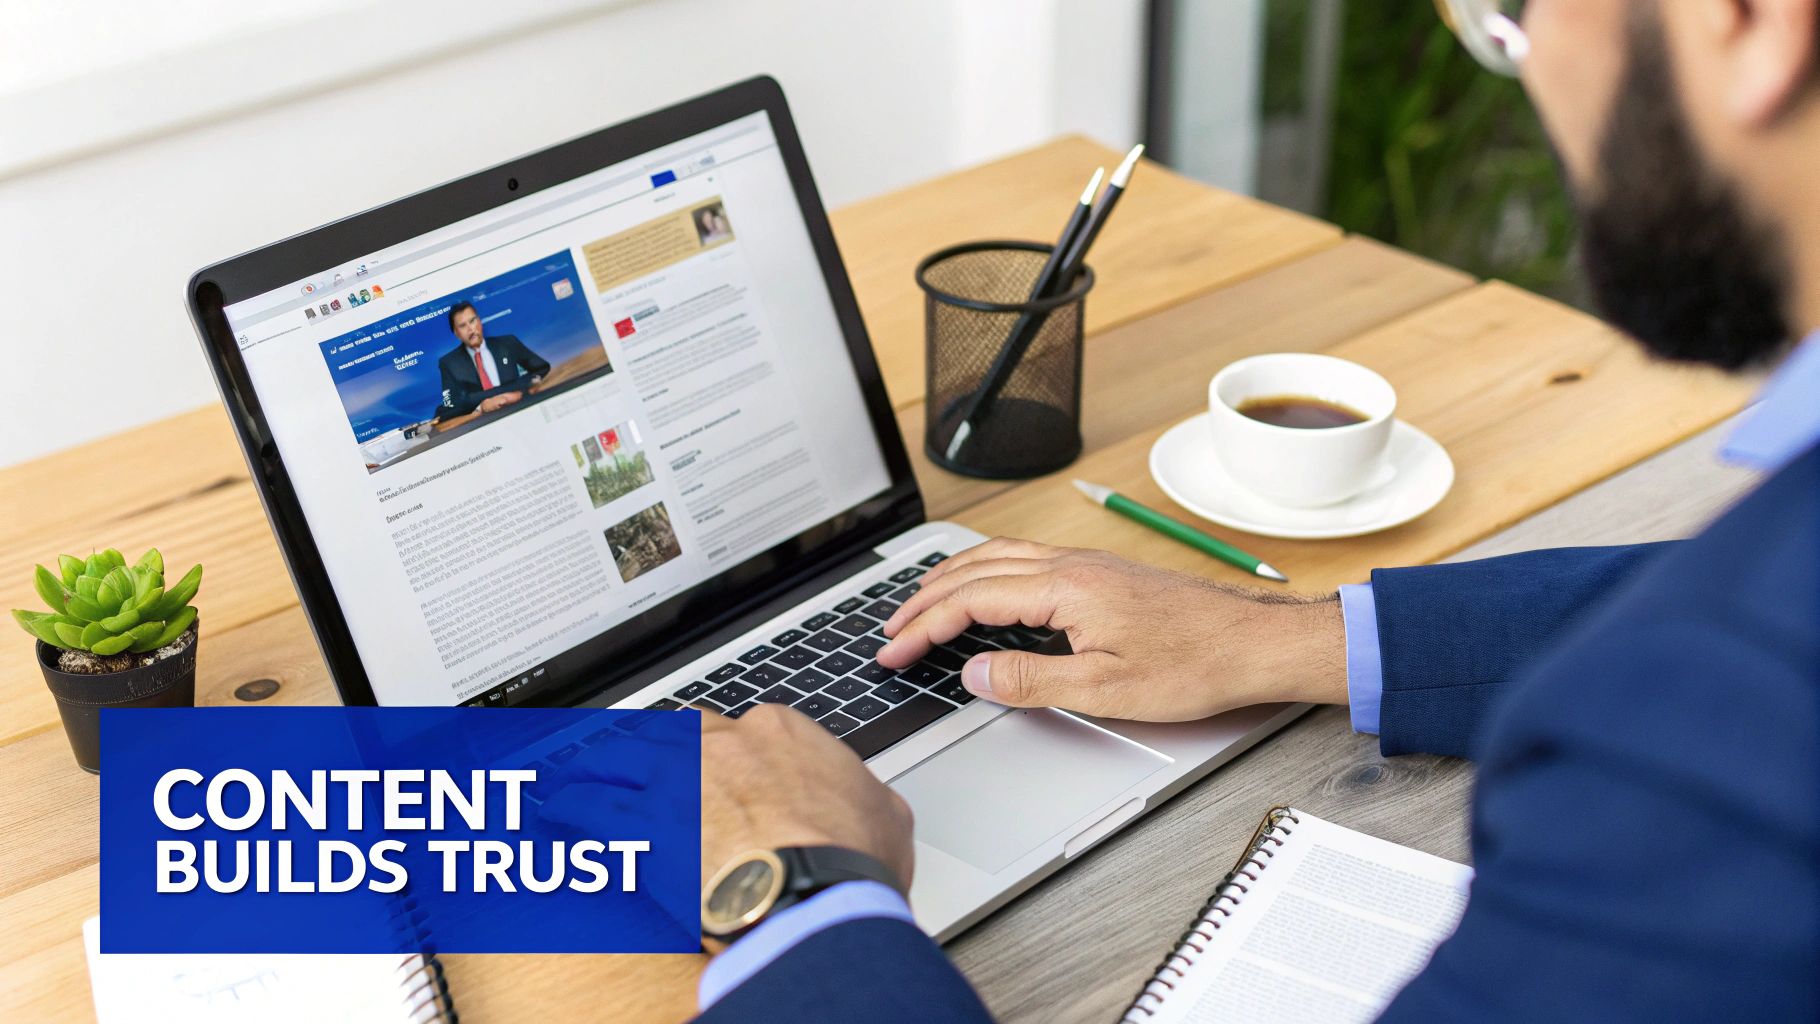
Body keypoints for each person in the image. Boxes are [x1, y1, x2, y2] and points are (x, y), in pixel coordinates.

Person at [683, 1, 1819, 1020]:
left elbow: (1724, 672)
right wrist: (1285, 638)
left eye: (1513, 10)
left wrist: (794, 895)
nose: (1528, 72)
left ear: (1756, 20)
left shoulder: (1707, 750)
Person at [435, 301, 550, 419]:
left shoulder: (508, 343)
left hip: (523, 410)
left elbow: (542, 368)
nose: (470, 329)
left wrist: (521, 392)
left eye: (472, 321)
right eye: (463, 326)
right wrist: (481, 407)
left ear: (479, 321)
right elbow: (450, 406)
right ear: (456, 333)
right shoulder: (449, 363)